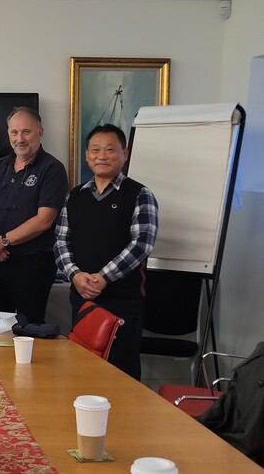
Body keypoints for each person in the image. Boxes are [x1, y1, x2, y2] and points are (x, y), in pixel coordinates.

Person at [54, 123, 158, 380]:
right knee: (82, 371)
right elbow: (60, 241)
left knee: (121, 374)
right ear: (87, 155)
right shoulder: (75, 195)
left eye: (110, 150)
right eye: (95, 150)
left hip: (122, 300)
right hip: (82, 298)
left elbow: (141, 244)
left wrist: (103, 277)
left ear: (125, 153)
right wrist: (75, 275)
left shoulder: (140, 194)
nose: (102, 156)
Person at [0, 107, 67, 323]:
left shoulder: (52, 169)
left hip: (33, 266)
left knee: (27, 332)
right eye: (14, 132)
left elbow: (44, 220)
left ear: (40, 132)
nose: (20, 139)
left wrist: (2, 241)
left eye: (26, 132)